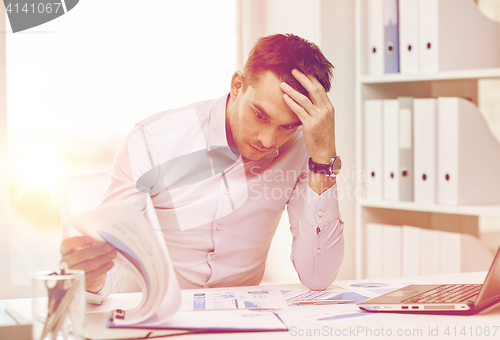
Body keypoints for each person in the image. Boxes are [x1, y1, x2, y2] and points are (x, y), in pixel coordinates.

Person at [59, 33, 345, 304]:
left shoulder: (302, 150)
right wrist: (93, 278)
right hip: (156, 316)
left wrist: (323, 161)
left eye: (286, 127)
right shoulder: (152, 140)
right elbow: (114, 257)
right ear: (237, 85)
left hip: (243, 322)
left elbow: (317, 276)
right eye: (259, 115)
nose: (268, 140)